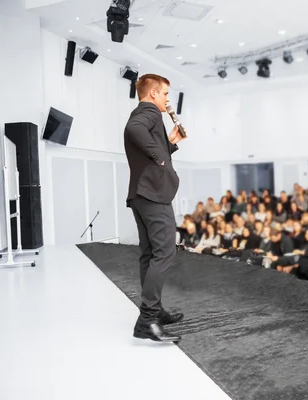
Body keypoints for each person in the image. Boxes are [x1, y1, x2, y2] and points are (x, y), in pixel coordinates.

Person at [125, 74, 186, 343]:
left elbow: (146, 148)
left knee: (150, 254)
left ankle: (155, 311)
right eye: (165, 95)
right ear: (153, 94)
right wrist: (161, 156)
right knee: (164, 253)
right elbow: (134, 131)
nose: (166, 100)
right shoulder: (149, 112)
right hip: (153, 195)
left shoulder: (143, 112)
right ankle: (147, 319)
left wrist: (169, 144)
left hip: (140, 194)